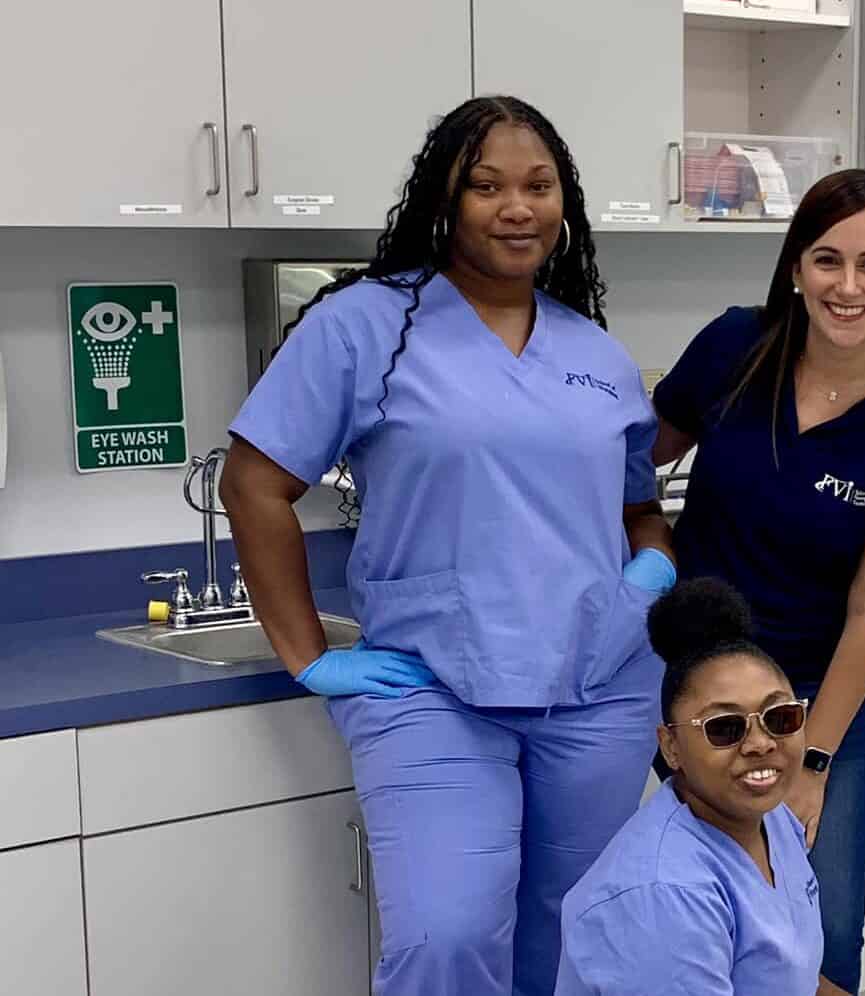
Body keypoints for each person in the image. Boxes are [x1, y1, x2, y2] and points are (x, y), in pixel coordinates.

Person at [219, 96, 676, 996]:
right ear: (444, 199)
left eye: (538, 186)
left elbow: (638, 507)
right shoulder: (364, 325)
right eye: (487, 186)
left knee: (580, 936)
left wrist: (651, 568)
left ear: (564, 204)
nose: (518, 207)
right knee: (446, 935)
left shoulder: (595, 353)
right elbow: (254, 483)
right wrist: (309, 657)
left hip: (598, 687)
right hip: (433, 688)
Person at [649, 169, 865, 993]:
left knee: (824, 923)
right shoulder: (733, 348)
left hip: (821, 701)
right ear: (794, 268)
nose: (847, 286)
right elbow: (624, 469)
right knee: (695, 909)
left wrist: (811, 761)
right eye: (827, 260)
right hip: (697, 698)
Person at [555, 578, 824, 995]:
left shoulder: (774, 822)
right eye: (725, 728)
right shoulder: (663, 896)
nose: (760, 743)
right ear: (671, 747)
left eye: (779, 717)